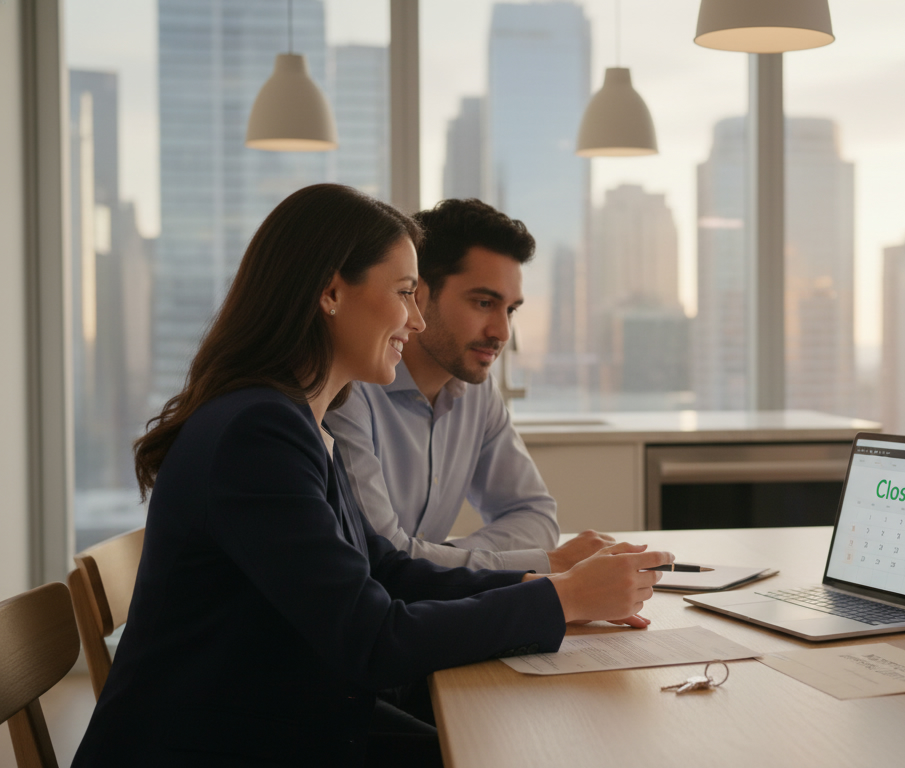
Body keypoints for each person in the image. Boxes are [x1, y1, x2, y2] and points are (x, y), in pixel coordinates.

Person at [71, 184, 672, 768]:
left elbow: (384, 570)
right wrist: (560, 597)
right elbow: (371, 638)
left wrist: (544, 589)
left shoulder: (295, 419)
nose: (415, 321)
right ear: (331, 292)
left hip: (279, 722)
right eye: (407, 293)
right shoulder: (259, 434)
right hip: (222, 747)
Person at [327, 198, 608, 574]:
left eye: (509, 309)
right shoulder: (348, 387)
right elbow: (381, 556)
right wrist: (533, 563)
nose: (502, 332)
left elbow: (534, 515)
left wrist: (442, 557)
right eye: (483, 302)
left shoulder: (476, 390)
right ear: (418, 294)